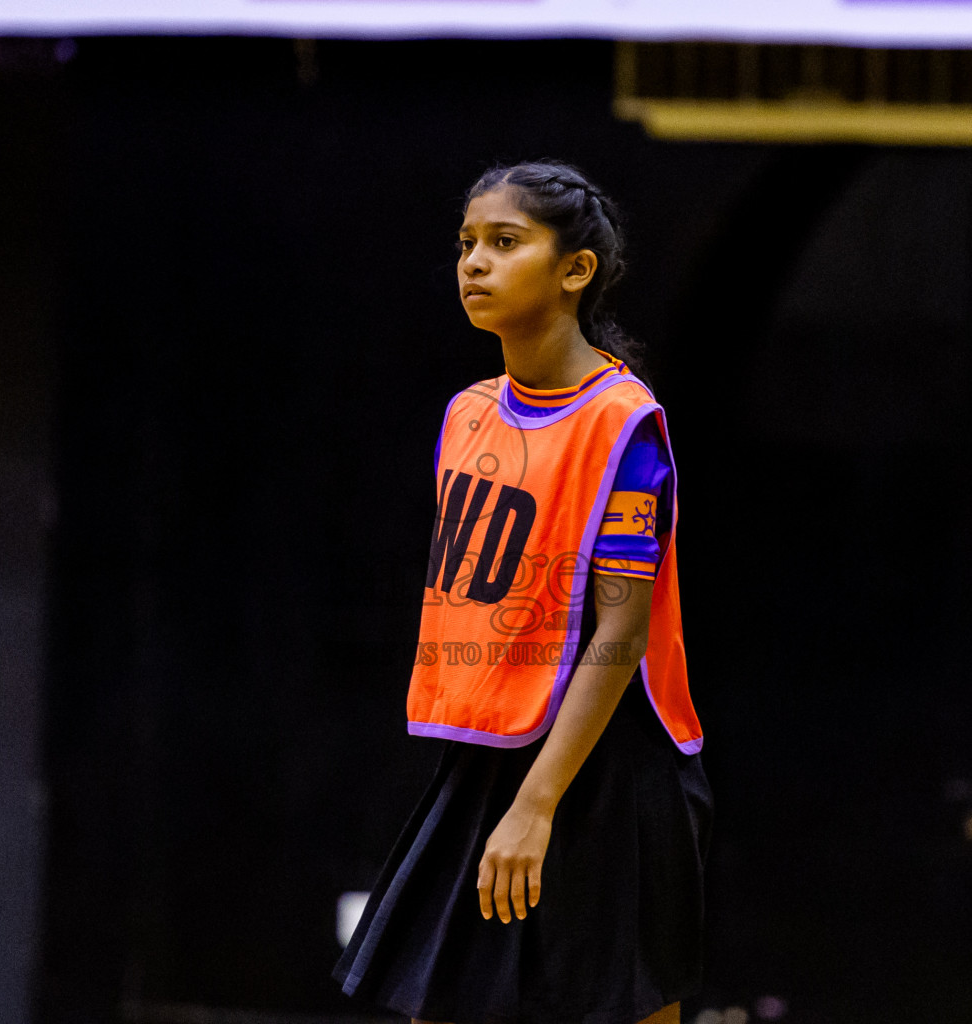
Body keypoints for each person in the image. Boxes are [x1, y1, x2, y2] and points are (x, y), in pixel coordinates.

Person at [331, 160, 712, 1024]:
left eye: (505, 242)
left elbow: (620, 634)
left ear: (576, 270)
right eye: (467, 244)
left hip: (610, 768)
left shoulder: (622, 423)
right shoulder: (468, 413)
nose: (474, 263)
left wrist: (537, 803)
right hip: (489, 756)